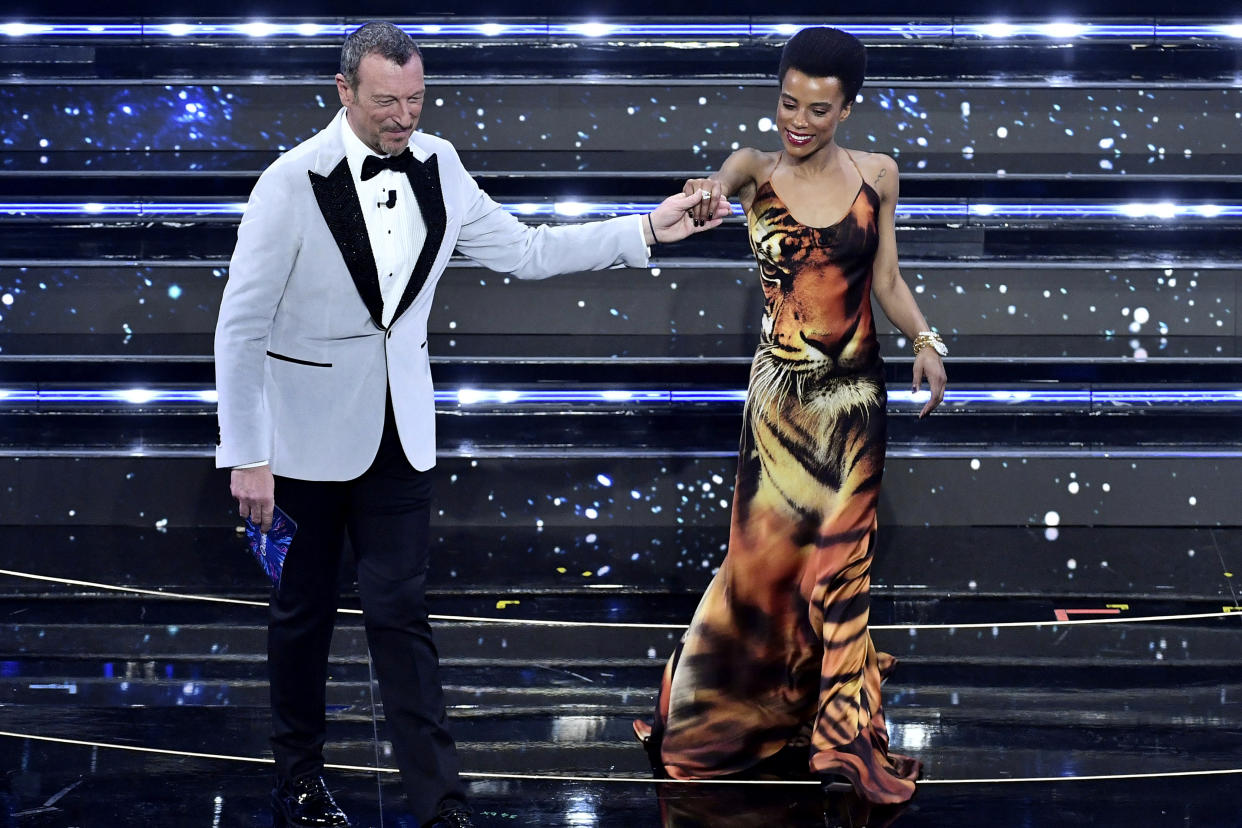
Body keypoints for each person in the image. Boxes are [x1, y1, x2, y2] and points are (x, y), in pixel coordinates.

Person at [213, 21, 728, 828]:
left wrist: (648, 230)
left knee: (402, 618)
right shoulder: (288, 183)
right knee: (302, 619)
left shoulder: (441, 165)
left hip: (400, 436)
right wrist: (247, 454)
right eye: (387, 101)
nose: (404, 116)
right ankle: (300, 784)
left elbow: (526, 250)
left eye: (415, 99)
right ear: (343, 92)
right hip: (301, 444)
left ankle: (440, 803)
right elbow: (239, 327)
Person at [633, 26, 947, 806]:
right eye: (787, 103)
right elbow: (707, 187)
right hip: (777, 409)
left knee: (840, 573)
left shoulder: (879, 175)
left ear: (849, 108)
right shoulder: (752, 168)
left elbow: (888, 280)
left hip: (856, 409)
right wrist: (701, 195)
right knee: (766, 577)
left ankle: (842, 738)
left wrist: (927, 340)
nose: (797, 121)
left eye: (817, 109)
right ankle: (729, 714)